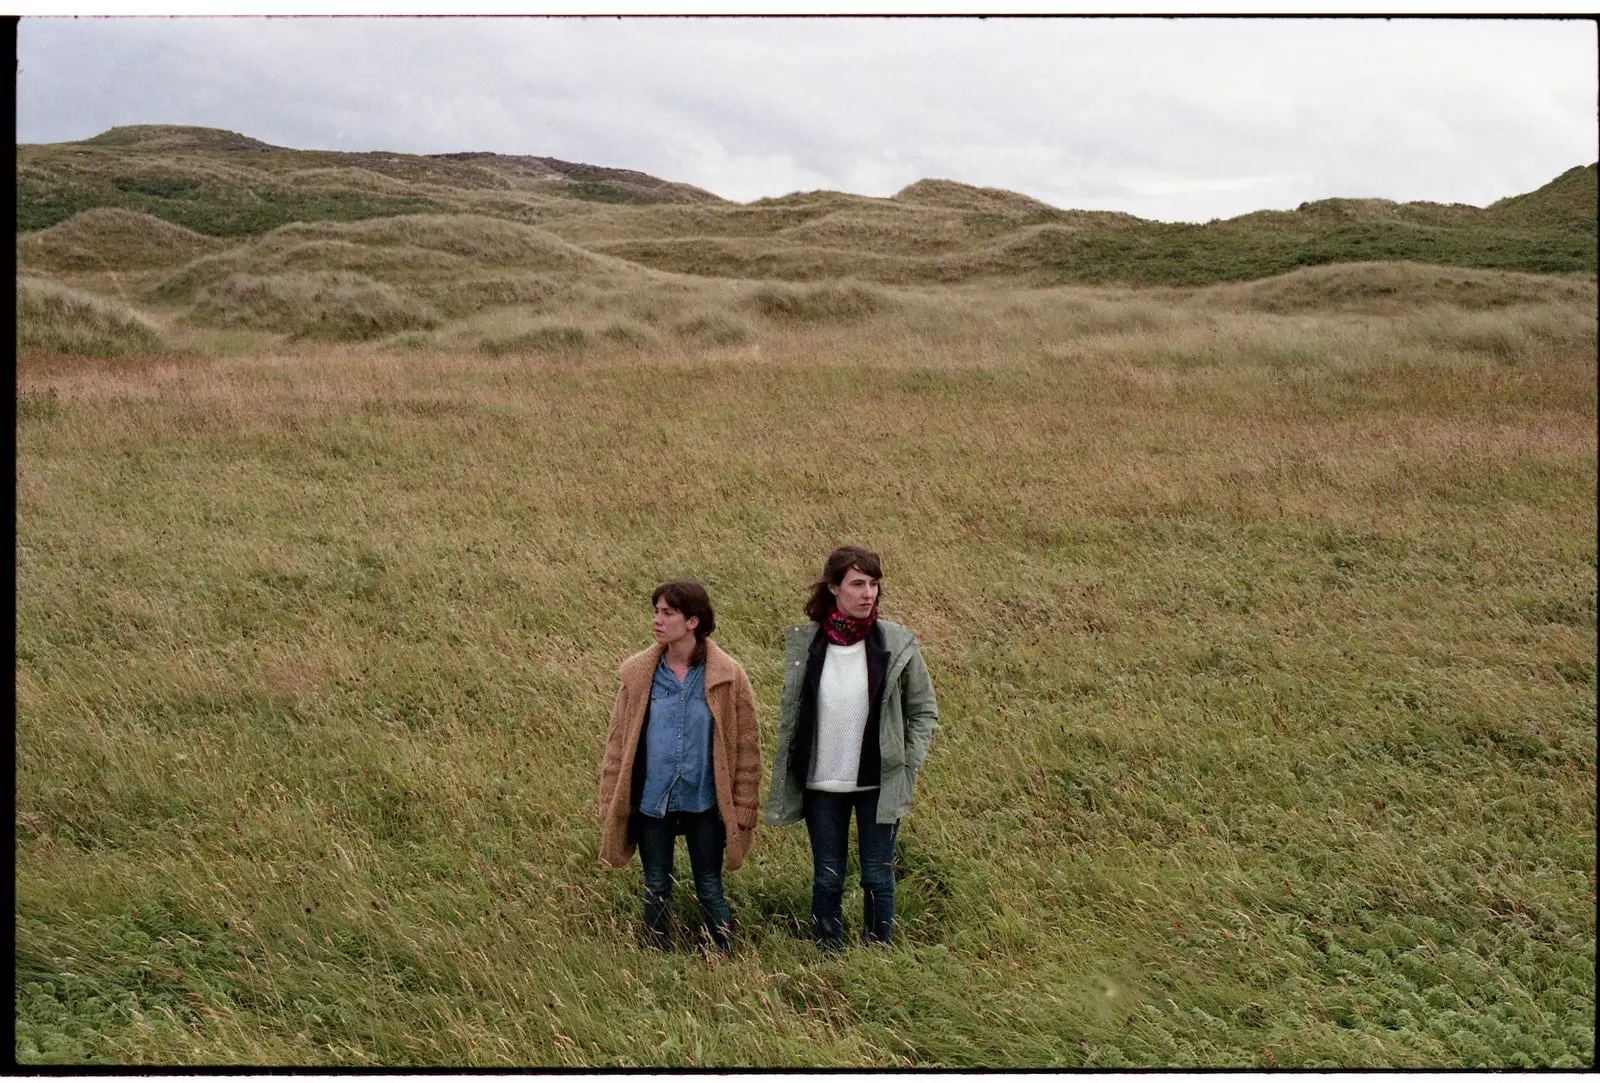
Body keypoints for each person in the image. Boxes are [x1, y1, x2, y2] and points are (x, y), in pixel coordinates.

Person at [764, 545, 939, 950]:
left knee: (878, 875)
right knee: (827, 876)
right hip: (822, 785)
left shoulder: (895, 643)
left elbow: (924, 712)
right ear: (833, 587)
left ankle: (878, 956)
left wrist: (906, 765)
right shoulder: (807, 644)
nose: (868, 593)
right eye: (858, 584)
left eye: (874, 584)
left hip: (879, 784)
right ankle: (829, 957)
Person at [598, 580, 762, 955]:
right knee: (656, 884)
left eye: (667, 613)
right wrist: (610, 798)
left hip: (705, 803)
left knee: (709, 885)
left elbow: (748, 749)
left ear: (692, 621)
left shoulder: (728, 676)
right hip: (653, 802)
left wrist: (744, 806)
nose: (658, 620)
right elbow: (617, 746)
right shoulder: (639, 675)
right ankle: (656, 958)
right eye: (656, 611)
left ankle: (722, 957)